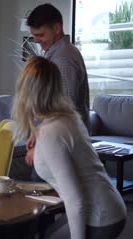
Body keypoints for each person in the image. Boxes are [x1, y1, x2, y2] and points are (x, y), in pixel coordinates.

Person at [11, 56, 126, 239]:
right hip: (111, 207)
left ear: (26, 92)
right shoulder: (68, 117)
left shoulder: (51, 133)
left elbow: (76, 200)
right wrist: (37, 140)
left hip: (99, 218)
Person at [24, 3, 90, 168]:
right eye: (34, 36)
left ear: (57, 27)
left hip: (60, 142)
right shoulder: (59, 54)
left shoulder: (63, 58)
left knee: (44, 190)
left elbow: (65, 106)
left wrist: (41, 139)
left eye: (41, 35)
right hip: (57, 138)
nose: (37, 41)